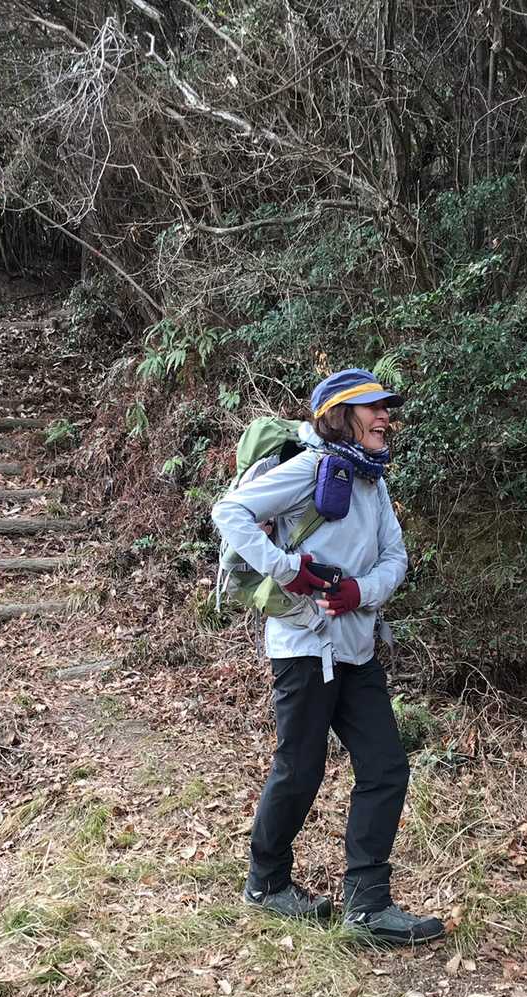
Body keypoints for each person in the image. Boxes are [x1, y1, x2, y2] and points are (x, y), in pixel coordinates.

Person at [211, 368, 446, 947]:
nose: (385, 416)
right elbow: (229, 512)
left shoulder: (373, 480)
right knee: (300, 768)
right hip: (305, 647)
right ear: (342, 416)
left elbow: (395, 557)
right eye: (373, 408)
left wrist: (360, 592)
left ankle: (368, 905)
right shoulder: (311, 466)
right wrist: (289, 570)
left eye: (387, 407)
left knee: (386, 767)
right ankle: (267, 882)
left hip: (357, 649)